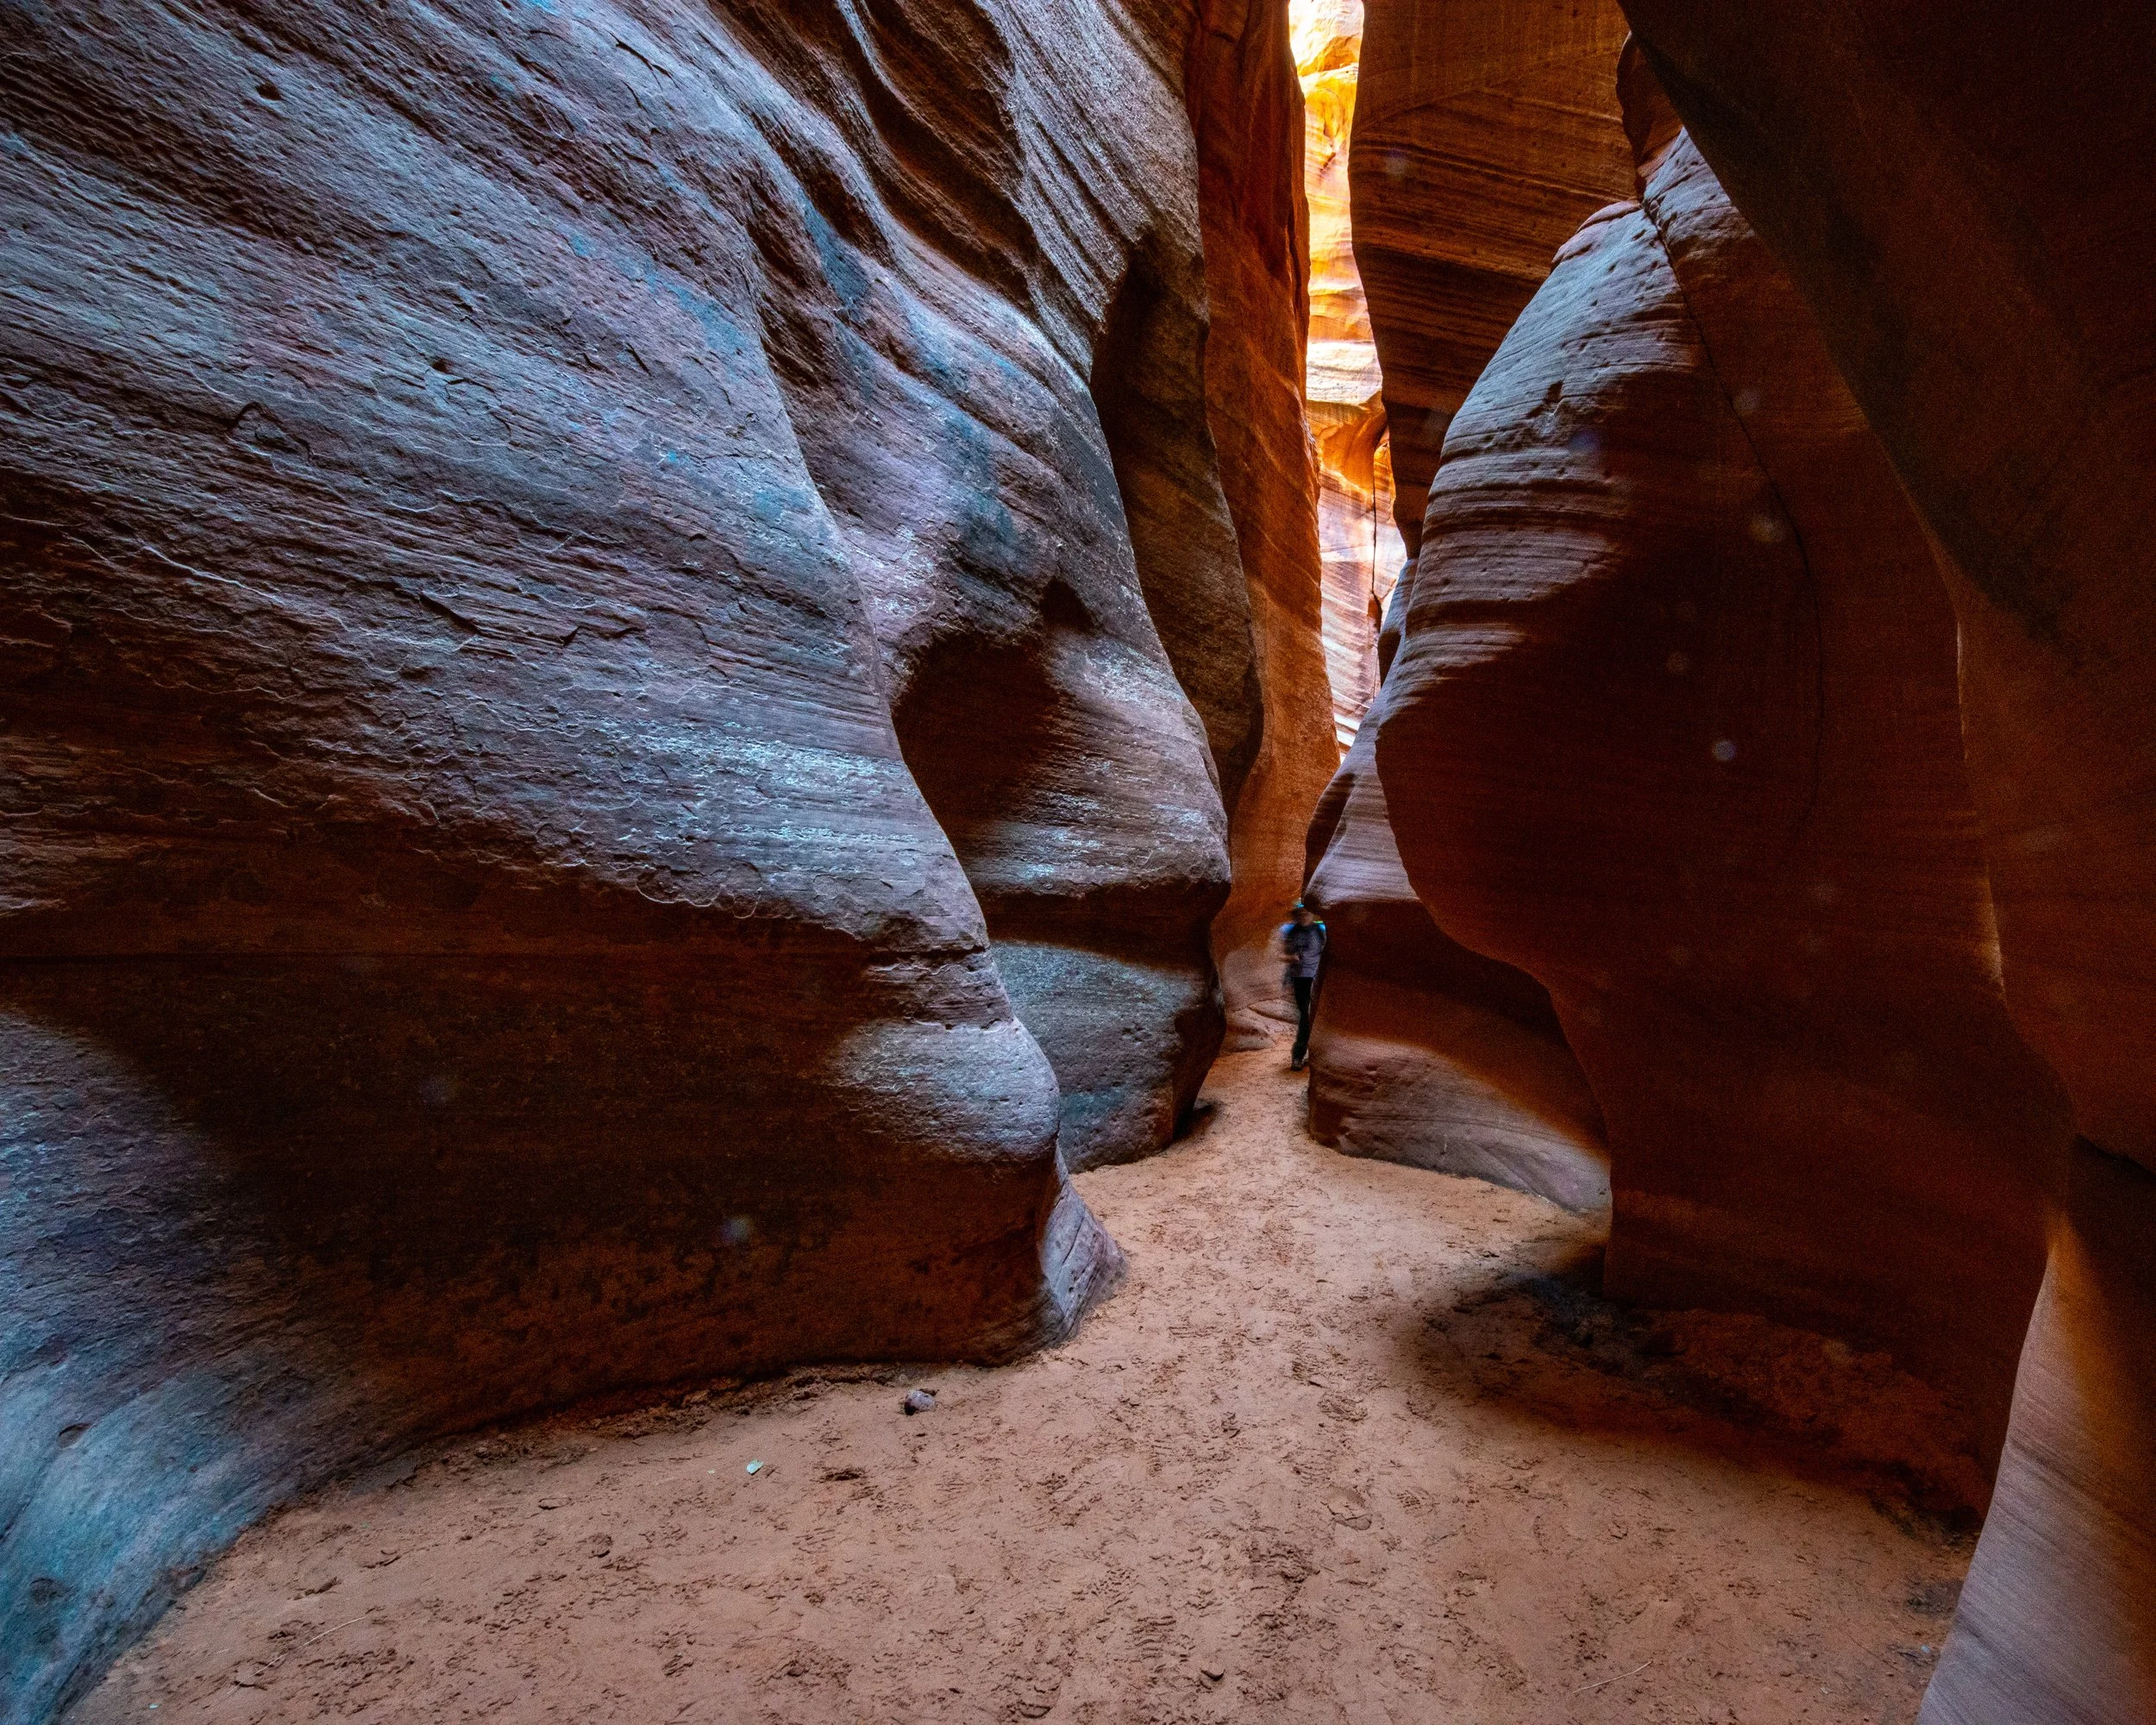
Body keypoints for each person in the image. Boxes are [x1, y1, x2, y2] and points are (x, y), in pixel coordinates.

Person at [1279, 900, 1326, 1071]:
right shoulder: (1291, 932)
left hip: (1316, 978)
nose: (1304, 916)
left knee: (1314, 1018)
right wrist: (1292, 958)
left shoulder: (1320, 931)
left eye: (1306, 913)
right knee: (1306, 1017)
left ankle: (1310, 1055)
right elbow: (1282, 955)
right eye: (1301, 914)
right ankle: (1298, 1056)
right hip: (1299, 979)